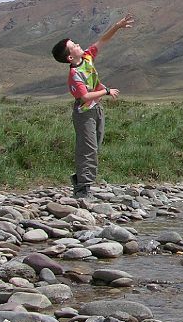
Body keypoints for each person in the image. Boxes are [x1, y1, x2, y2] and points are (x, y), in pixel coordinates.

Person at [50, 13, 135, 197]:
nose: (78, 45)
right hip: (84, 113)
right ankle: (83, 189)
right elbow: (85, 96)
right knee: (88, 149)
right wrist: (106, 91)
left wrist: (117, 26)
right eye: (73, 46)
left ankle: (80, 179)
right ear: (70, 58)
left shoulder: (87, 57)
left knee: (95, 146)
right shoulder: (74, 75)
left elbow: (102, 41)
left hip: (96, 109)